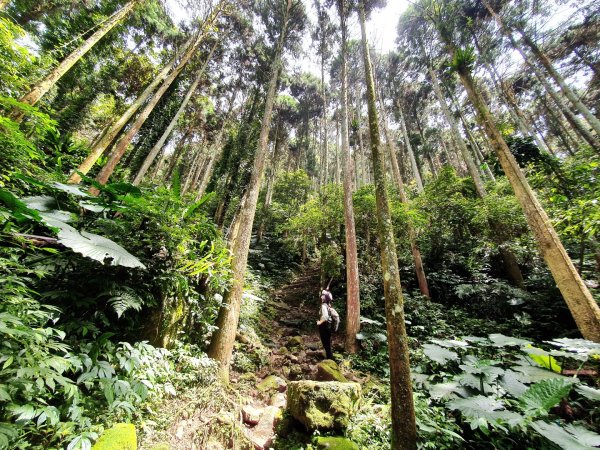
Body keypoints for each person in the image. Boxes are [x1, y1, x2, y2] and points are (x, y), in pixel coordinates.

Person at [316, 288, 334, 360]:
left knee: (326, 344)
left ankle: (330, 360)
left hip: (324, 326)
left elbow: (325, 316)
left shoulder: (324, 305)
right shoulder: (328, 305)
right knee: (328, 344)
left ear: (325, 297)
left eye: (323, 295)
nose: (321, 297)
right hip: (328, 326)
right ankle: (330, 358)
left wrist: (319, 322)